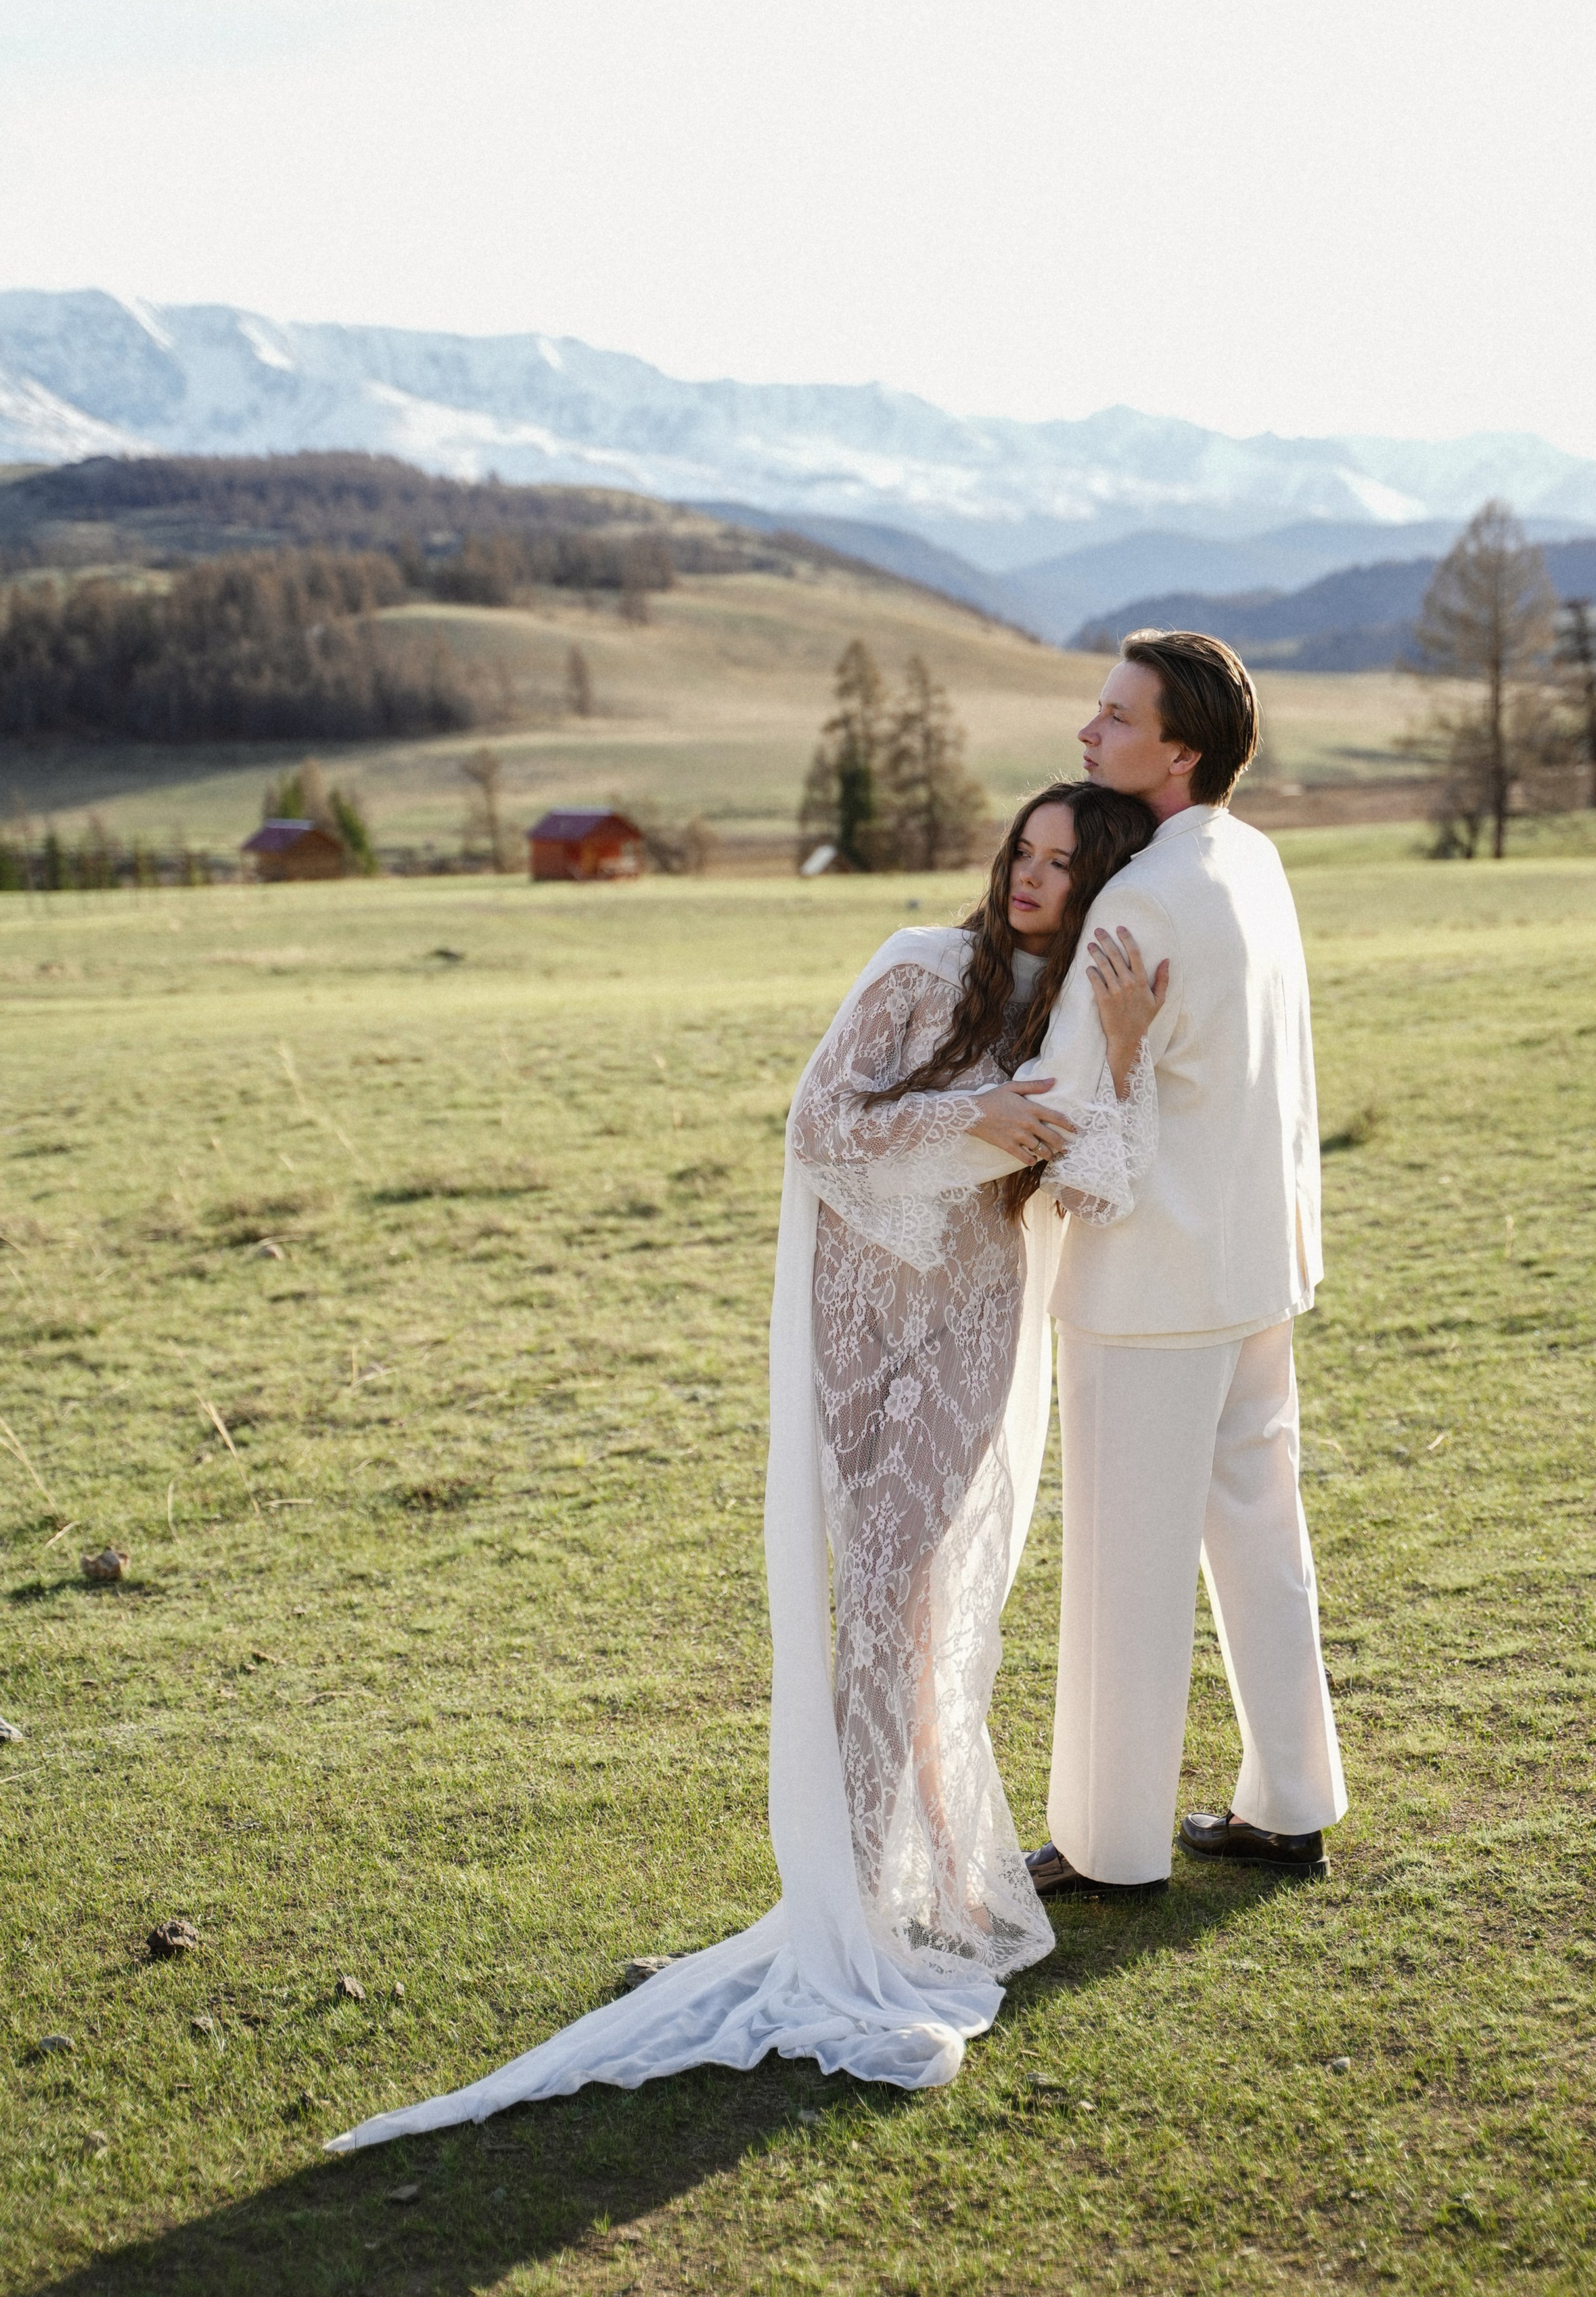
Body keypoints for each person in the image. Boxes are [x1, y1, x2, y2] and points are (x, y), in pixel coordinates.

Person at [327, 781, 1163, 2153]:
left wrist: (1111, 1058)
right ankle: (897, 1880)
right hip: (855, 1308)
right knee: (879, 1596)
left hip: (973, 1316)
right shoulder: (918, 967)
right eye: (1022, 850)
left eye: (1063, 866)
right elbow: (817, 1127)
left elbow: (1093, 1191)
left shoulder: (1074, 1013)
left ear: (1100, 886)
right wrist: (977, 1118)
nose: (1030, 879)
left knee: (912, 1584)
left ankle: (899, 1891)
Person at [987, 631, 1348, 1897]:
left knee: (1122, 1569)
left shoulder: (1136, 898)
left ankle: (1109, 1844)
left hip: (1150, 1281)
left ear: (1178, 748)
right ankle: (1292, 1802)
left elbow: (1073, 1117)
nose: (1088, 734)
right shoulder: (1251, 860)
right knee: (1260, 1530)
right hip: (1257, 1261)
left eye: (1114, 715)